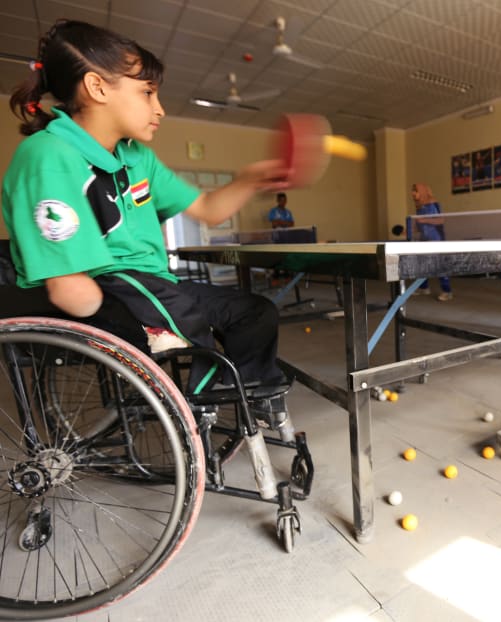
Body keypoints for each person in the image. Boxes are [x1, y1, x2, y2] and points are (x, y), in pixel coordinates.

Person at [1, 20, 295, 431]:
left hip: (153, 284)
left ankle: (242, 392)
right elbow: (72, 290)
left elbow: (208, 207)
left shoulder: (137, 157)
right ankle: (198, 403)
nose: (160, 108)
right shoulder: (48, 154)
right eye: (147, 92)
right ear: (97, 88)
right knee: (179, 313)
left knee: (255, 311)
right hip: (98, 285)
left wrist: (249, 180)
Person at [410, 182, 452, 301]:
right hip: (424, 239)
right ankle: (424, 288)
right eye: (412, 191)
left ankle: (447, 291)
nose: (413, 193)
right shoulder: (419, 206)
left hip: (436, 239)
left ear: (422, 191)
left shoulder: (432, 203)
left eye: (415, 191)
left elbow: (440, 220)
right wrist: (408, 230)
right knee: (422, 264)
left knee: (439, 266)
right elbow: (419, 225)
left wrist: (425, 220)